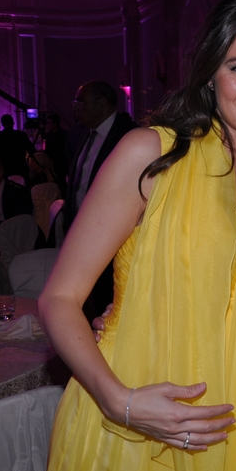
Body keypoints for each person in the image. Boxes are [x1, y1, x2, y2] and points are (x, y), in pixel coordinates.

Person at [39, 0, 236, 471]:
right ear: (211, 75)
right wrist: (119, 402)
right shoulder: (152, 155)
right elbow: (60, 298)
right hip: (135, 423)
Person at [63, 80, 137, 319]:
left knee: (110, 303)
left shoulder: (129, 135)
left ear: (101, 103)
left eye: (80, 102)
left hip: (114, 237)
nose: (75, 108)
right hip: (82, 232)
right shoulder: (82, 135)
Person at [0, 113, 35, 180]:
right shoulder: (21, 135)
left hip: (5, 170)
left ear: (2, 124)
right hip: (20, 168)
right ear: (13, 123)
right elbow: (32, 150)